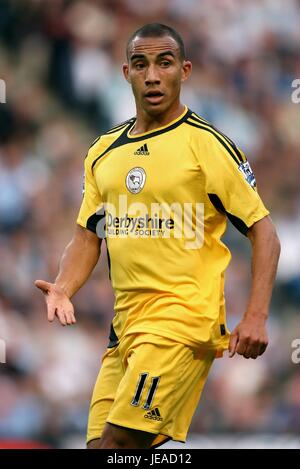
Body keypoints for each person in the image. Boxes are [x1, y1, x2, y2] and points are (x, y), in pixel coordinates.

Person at [35, 23, 281, 449]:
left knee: (117, 445)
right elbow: (87, 236)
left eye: (164, 63)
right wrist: (63, 286)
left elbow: (264, 232)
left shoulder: (207, 145)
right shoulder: (103, 152)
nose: (152, 75)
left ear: (184, 71)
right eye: (140, 64)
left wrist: (256, 314)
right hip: (125, 329)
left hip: (181, 322)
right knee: (103, 450)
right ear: (125, 73)